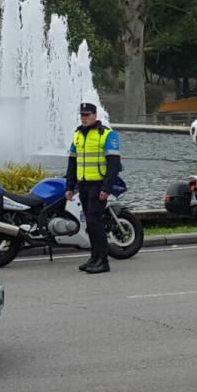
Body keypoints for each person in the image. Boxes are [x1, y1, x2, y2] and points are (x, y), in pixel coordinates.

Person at [65, 103, 121, 274]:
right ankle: (94, 257)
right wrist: (69, 186)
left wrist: (106, 188)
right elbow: (72, 163)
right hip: (83, 185)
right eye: (82, 115)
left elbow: (114, 165)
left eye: (87, 115)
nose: (84, 118)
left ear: (95, 116)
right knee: (90, 223)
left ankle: (103, 261)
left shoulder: (106, 135)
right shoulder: (77, 135)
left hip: (98, 185)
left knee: (95, 222)